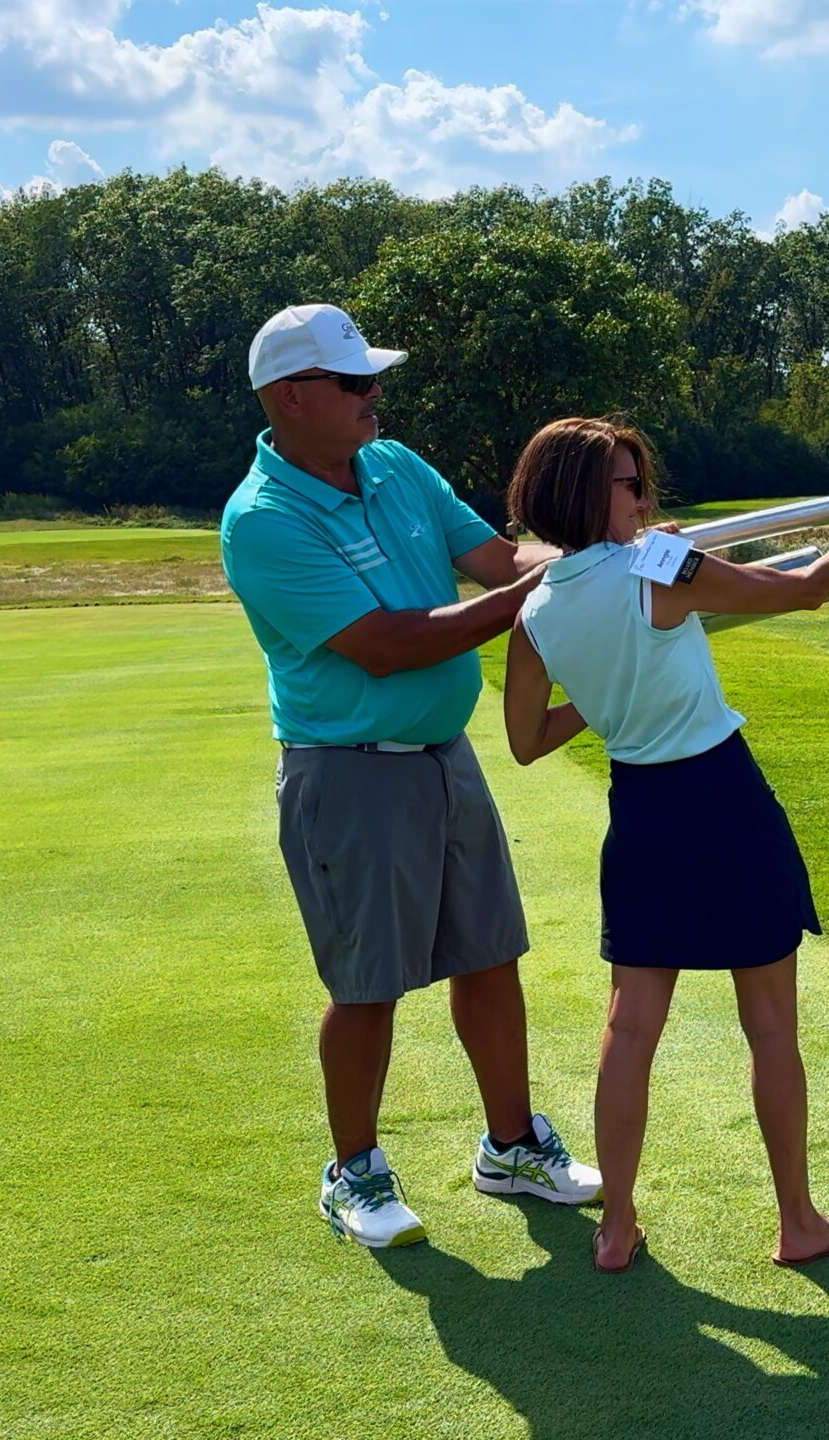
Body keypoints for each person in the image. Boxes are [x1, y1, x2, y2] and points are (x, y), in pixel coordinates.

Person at [498, 416, 829, 1273]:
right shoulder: (657, 567)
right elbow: (804, 588)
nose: (644, 498)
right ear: (589, 494)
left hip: (644, 816)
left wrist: (611, 683)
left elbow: (528, 739)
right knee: (769, 1028)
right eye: (630, 484)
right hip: (724, 803)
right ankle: (797, 1224)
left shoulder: (536, 612)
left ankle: (616, 1229)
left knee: (630, 1031)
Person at [218, 304, 601, 1251]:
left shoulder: (396, 465)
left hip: (442, 758)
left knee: (488, 956)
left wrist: (587, 557)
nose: (372, 395)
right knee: (367, 983)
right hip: (345, 773)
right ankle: (352, 1170)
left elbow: (496, 559)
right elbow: (385, 645)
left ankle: (511, 1145)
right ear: (292, 397)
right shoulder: (261, 521)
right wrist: (533, 593)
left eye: (371, 378)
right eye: (353, 383)